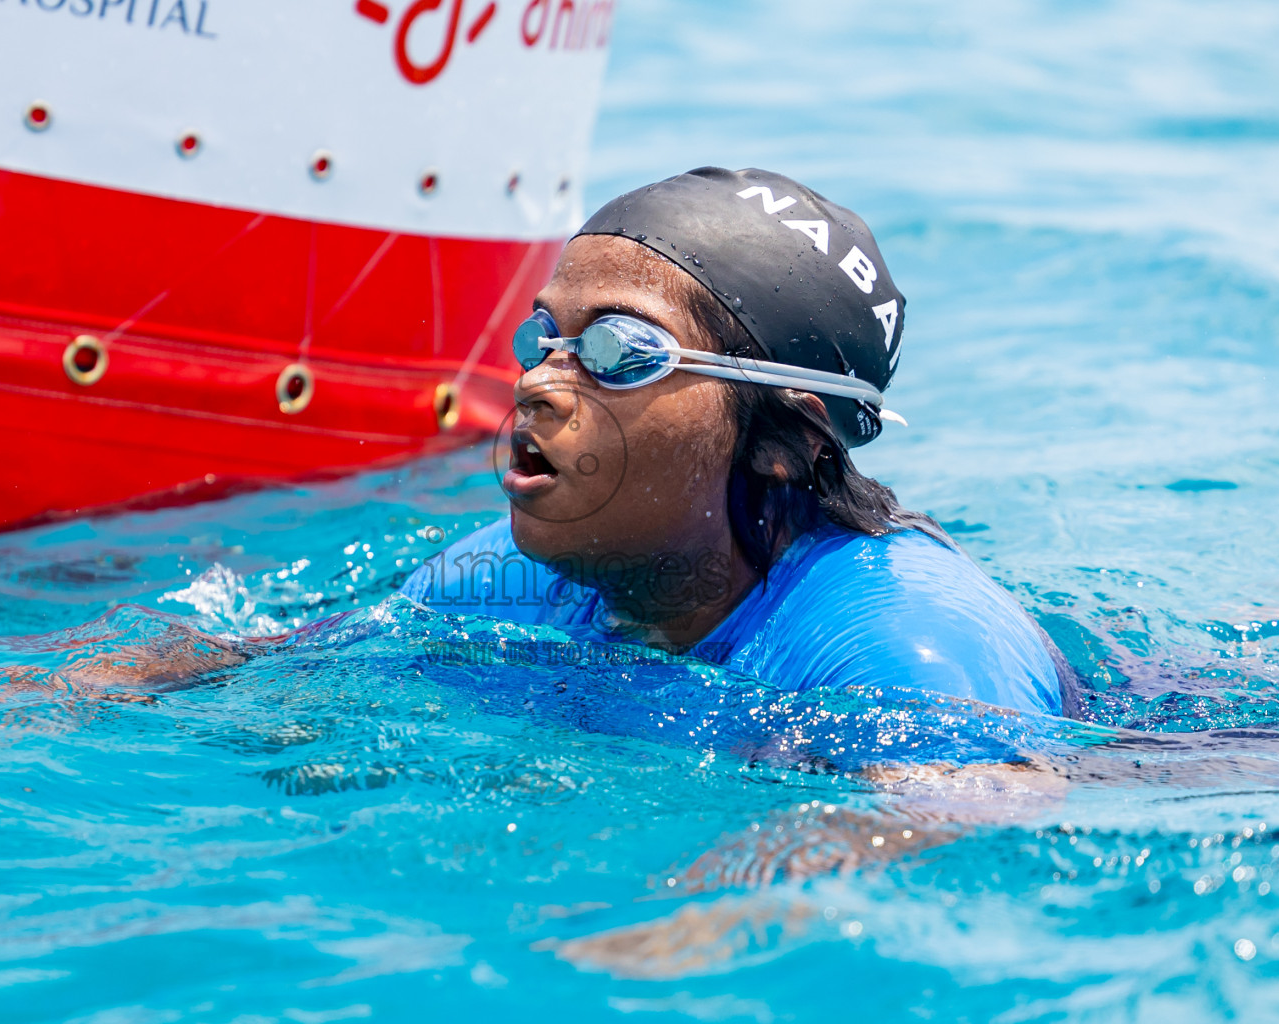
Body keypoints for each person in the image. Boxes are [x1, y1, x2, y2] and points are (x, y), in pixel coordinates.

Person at [400, 166, 1078, 718]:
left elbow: (969, 815)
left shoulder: (901, 646)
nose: (537, 383)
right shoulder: (513, 578)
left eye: (621, 351)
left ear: (782, 442)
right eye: (544, 336)